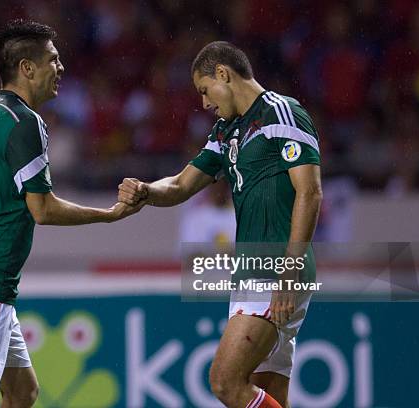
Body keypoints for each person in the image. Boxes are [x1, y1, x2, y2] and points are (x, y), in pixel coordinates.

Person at [0, 20, 144, 408]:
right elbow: (43, 209)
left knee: (22, 392)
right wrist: (109, 215)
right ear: (27, 68)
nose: (61, 68)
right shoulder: (25, 123)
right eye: (53, 59)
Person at [118, 41, 322, 408]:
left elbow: (310, 192)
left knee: (225, 381)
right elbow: (181, 185)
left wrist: (289, 272)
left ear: (223, 74)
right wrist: (146, 190)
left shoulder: (282, 112)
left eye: (204, 90)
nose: (204, 103)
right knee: (266, 394)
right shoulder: (226, 131)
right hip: (250, 275)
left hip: (275, 270)